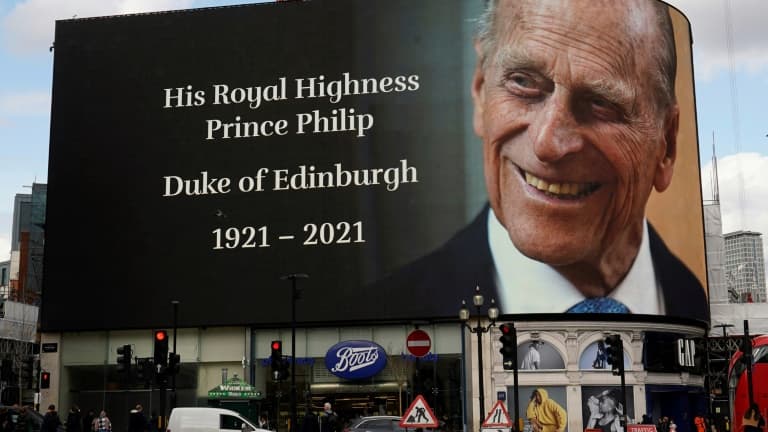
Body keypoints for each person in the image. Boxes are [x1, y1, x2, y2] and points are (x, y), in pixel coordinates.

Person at [371, 0, 708, 322]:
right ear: (480, 90)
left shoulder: (698, 306)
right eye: (523, 82)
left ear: (666, 145)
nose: (547, 143)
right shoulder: (384, 311)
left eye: (601, 103)